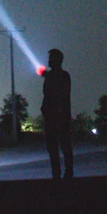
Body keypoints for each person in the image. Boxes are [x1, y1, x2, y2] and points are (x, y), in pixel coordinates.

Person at [41, 48, 73, 180]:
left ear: (57, 60)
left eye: (51, 58)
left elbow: (61, 96)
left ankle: (65, 173)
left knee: (62, 145)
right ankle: (59, 173)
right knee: (54, 147)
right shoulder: (60, 75)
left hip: (58, 116)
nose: (48, 60)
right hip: (53, 115)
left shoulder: (62, 76)